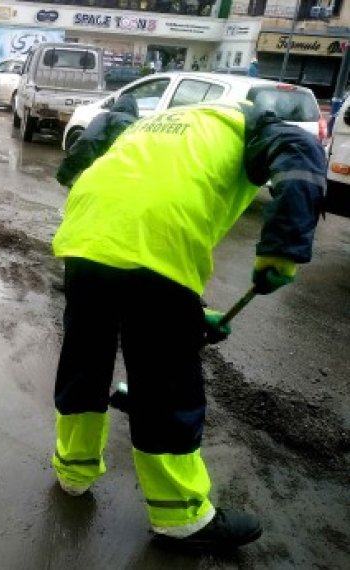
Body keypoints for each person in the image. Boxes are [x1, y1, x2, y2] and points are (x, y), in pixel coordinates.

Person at [49, 102, 325, 551]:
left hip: (86, 231)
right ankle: (181, 518)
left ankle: (72, 471)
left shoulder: (170, 121)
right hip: (157, 240)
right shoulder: (255, 128)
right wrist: (284, 249)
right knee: (166, 383)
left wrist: (191, 318)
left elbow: (118, 167)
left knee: (85, 357)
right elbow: (303, 156)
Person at [55, 94, 139, 188]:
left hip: (103, 173)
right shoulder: (140, 124)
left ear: (117, 104)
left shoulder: (107, 116)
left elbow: (87, 140)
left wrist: (64, 175)